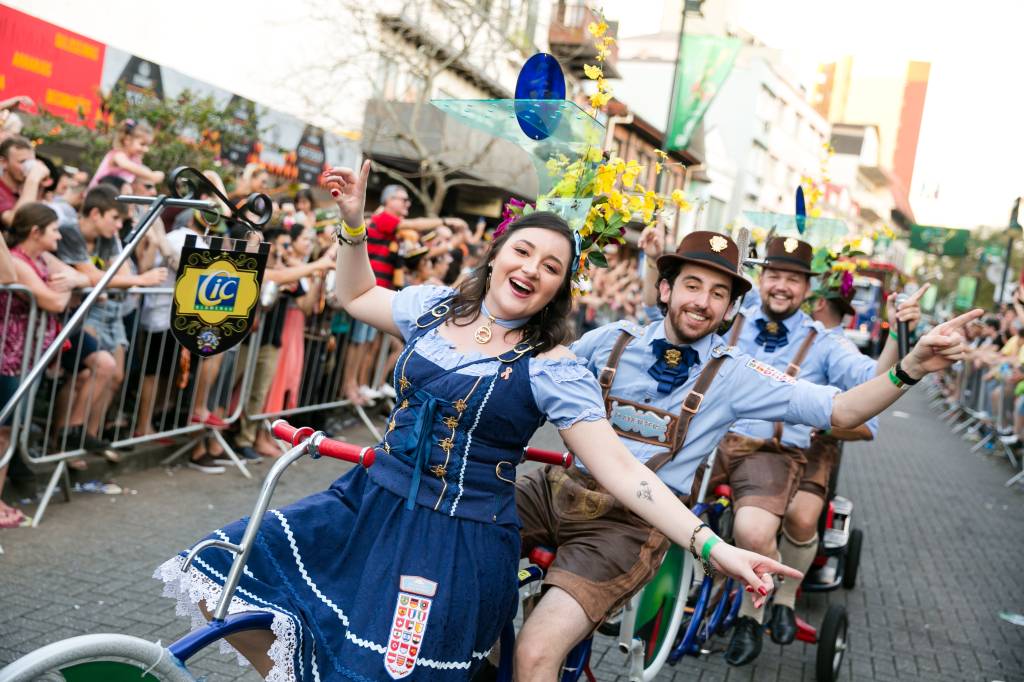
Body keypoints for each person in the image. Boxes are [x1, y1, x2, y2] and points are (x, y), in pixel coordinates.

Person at [156, 161, 808, 681]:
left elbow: (621, 470)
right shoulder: (437, 309)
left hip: (460, 537)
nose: (531, 269)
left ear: (557, 290)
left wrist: (712, 545)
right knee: (225, 575)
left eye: (552, 267)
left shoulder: (553, 365)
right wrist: (353, 226)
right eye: (523, 252)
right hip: (368, 504)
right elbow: (355, 295)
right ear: (497, 255)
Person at [507, 227, 973, 679]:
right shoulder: (609, 340)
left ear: (731, 308)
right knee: (461, 552)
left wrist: (909, 368)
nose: (701, 301)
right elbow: (526, 375)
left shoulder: (737, 373)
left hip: (633, 525)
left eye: (717, 293)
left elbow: (843, 410)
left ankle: (766, 609)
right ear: (665, 289)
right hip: (555, 490)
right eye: (691, 285)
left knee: (534, 651)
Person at [2, 203, 117, 475]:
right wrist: (68, 290)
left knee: (13, 426)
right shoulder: (17, 261)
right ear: (35, 232)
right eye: (53, 230)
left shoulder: (43, 258)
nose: (60, 236)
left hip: (34, 353)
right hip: (11, 355)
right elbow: (53, 301)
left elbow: (84, 279)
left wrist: (72, 282)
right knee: (6, 428)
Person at [87, 119, 164, 190]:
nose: (146, 149)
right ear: (127, 140)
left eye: (148, 145)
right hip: (97, 195)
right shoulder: (118, 155)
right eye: (142, 144)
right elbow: (127, 165)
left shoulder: (134, 159)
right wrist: (152, 175)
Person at [0, 135, 51, 229]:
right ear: (4, 162)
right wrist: (33, 180)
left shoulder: (23, 189)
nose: (28, 166)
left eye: (31, 161)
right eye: (22, 162)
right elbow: (15, 221)